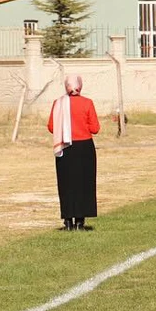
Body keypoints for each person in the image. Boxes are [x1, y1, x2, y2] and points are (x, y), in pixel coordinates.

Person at [48, 74, 101, 231]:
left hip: (64, 147)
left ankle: (68, 221)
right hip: (84, 147)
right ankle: (80, 221)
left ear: (66, 86)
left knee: (66, 184)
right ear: (80, 86)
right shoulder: (87, 103)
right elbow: (95, 128)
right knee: (84, 184)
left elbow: (51, 127)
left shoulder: (58, 103)